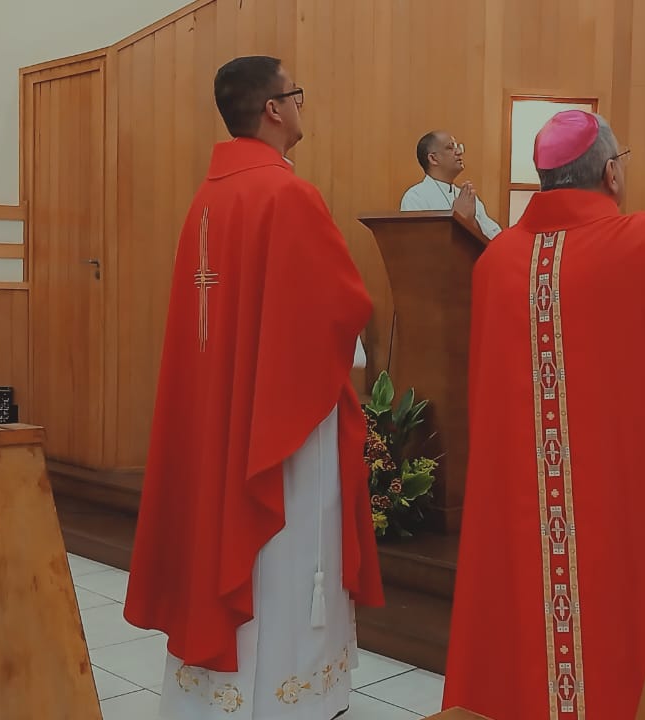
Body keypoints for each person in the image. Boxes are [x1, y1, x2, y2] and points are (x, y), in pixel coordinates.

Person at [442, 111, 645, 719]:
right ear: (612, 174)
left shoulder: (496, 265)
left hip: (530, 514)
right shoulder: (642, 245)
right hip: (617, 506)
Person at [123, 55, 384, 720]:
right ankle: (284, 697)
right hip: (283, 423)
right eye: (296, 94)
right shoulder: (286, 194)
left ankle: (216, 698)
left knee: (227, 531)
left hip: (223, 413)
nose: (302, 106)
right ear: (274, 109)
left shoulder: (209, 198)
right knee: (288, 544)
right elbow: (338, 309)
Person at [400, 131, 502, 240]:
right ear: (433, 159)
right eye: (450, 147)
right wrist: (458, 220)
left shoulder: (465, 196)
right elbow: (418, 243)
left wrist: (472, 222)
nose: (459, 152)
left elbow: (497, 238)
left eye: (458, 147)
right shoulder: (415, 197)